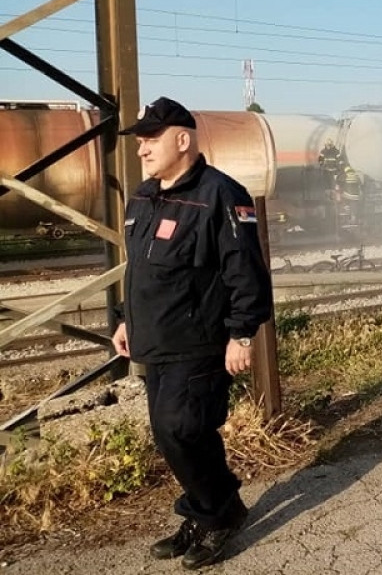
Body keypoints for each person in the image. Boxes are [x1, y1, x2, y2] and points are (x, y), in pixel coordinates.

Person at [110, 97, 273, 570]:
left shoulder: (221, 194)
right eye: (139, 142)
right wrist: (125, 320)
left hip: (199, 341)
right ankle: (216, 510)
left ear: (182, 140)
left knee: (181, 428)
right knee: (172, 435)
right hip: (154, 339)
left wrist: (242, 334)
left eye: (150, 140)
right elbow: (138, 271)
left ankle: (217, 517)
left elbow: (245, 270)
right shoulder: (143, 196)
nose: (142, 150)